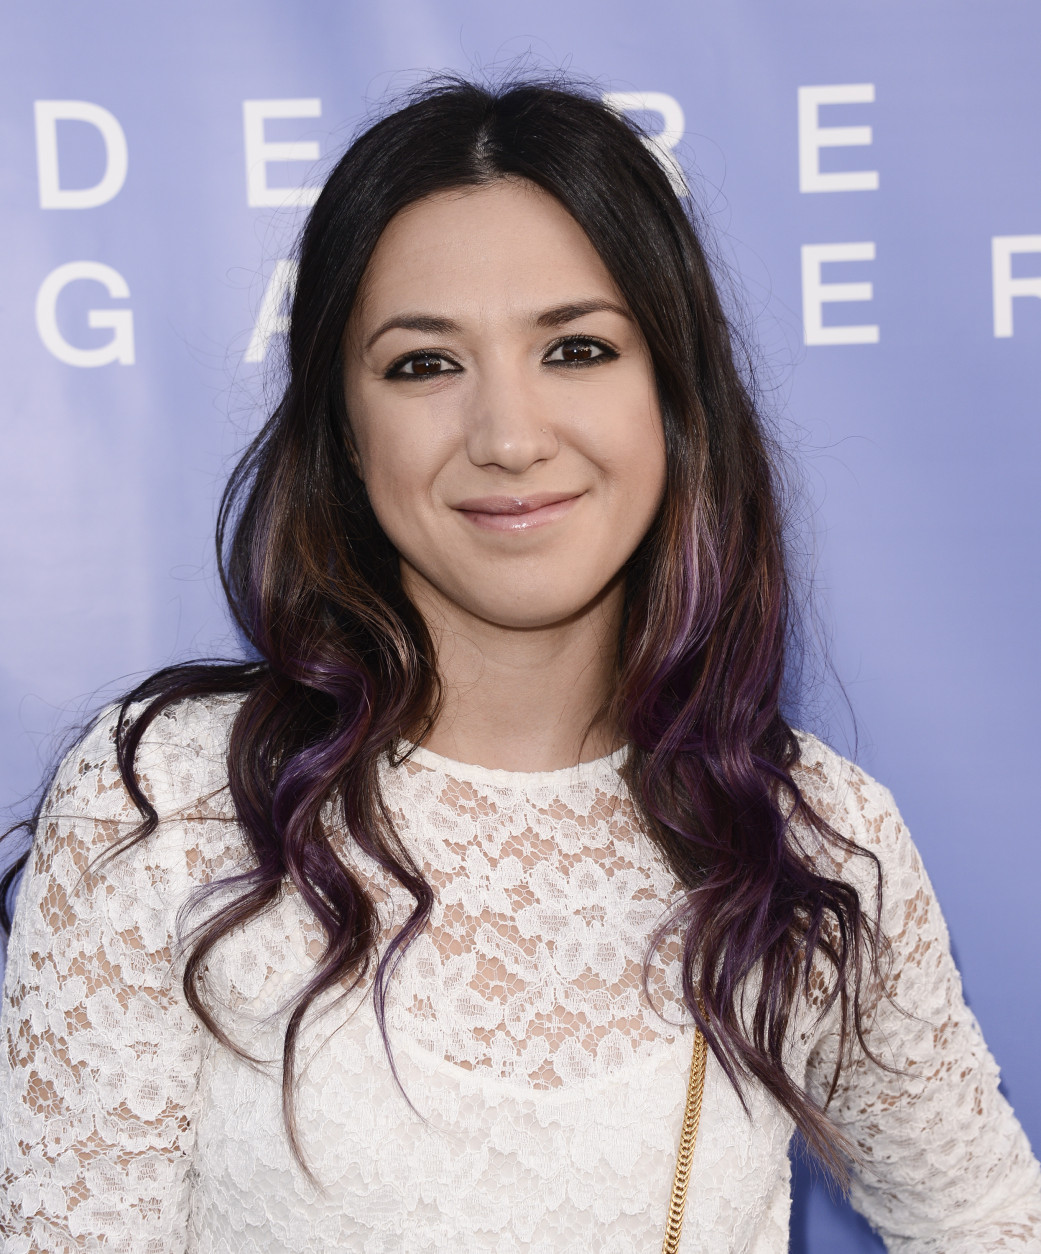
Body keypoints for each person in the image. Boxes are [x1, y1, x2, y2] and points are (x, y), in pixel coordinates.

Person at [0, 75, 1038, 1253]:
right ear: (345, 433)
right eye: (423, 365)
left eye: (577, 349)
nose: (507, 436)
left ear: (674, 399)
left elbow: (988, 1219)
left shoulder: (809, 842)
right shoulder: (169, 809)